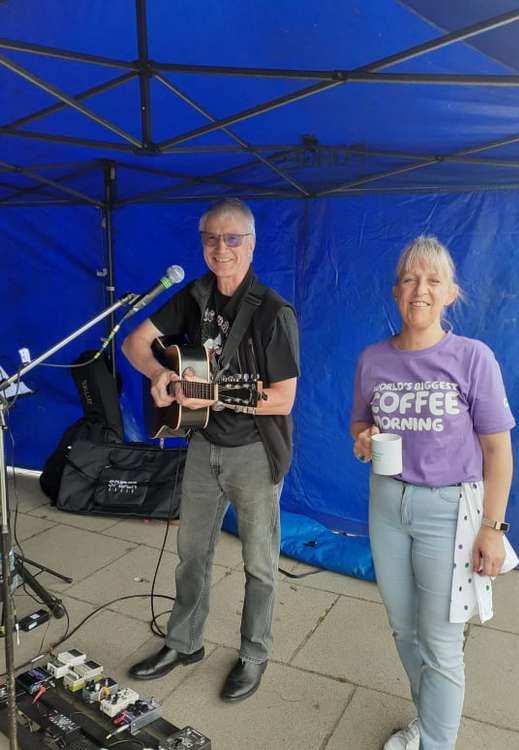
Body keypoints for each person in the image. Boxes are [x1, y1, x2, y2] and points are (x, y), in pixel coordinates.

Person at [122, 198, 300, 702]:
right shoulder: (196, 296)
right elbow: (135, 343)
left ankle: (254, 654)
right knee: (191, 552)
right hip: (202, 443)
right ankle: (184, 642)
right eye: (212, 239)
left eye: (232, 239)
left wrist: (223, 395)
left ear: (252, 243)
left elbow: (284, 398)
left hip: (252, 452)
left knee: (260, 562)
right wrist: (160, 374)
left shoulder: (272, 313)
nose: (221, 249)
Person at [351, 236, 515, 750]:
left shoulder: (472, 357)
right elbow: (361, 423)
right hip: (387, 506)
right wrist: (363, 441)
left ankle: (437, 744)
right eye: (409, 279)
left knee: (442, 644)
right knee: (404, 629)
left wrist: (492, 527)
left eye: (432, 280)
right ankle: (429, 720)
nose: (419, 289)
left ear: (450, 294)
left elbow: (497, 451)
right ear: (396, 291)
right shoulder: (373, 359)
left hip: (449, 511)